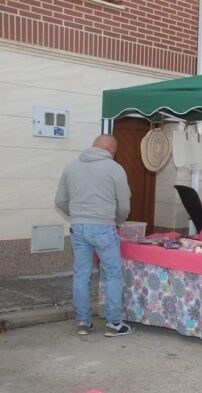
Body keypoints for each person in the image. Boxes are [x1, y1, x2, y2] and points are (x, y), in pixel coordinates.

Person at [55, 134, 134, 337]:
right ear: (111, 149)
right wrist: (117, 220)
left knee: (81, 275)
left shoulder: (71, 167)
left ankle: (83, 321)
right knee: (112, 274)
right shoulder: (114, 169)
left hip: (78, 228)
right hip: (104, 228)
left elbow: (60, 201)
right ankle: (114, 323)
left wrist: (78, 216)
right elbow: (124, 204)